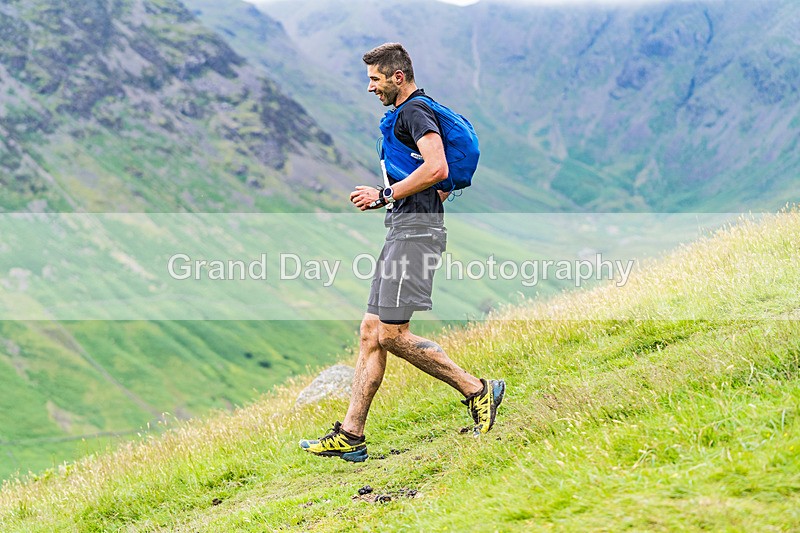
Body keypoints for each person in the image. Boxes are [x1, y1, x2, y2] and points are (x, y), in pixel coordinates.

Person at [299, 43, 504, 462]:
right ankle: (352, 435)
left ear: (397, 77)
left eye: (375, 79)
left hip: (415, 233)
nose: (370, 87)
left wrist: (384, 194)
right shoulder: (408, 114)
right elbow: (435, 178)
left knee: (392, 334)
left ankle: (477, 389)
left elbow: (437, 168)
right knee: (371, 333)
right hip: (407, 227)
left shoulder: (413, 111)